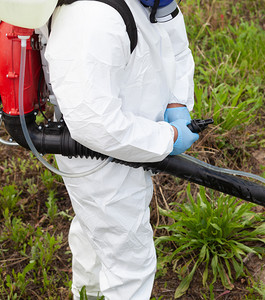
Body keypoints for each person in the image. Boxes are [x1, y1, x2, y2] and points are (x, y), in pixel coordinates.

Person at [1, 0, 198, 298]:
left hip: (129, 143)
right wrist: (167, 136)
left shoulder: (146, 3)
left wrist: (177, 102)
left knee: (97, 232)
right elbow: (95, 123)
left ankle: (88, 294)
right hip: (103, 161)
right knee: (130, 262)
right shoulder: (92, 21)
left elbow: (169, 41)